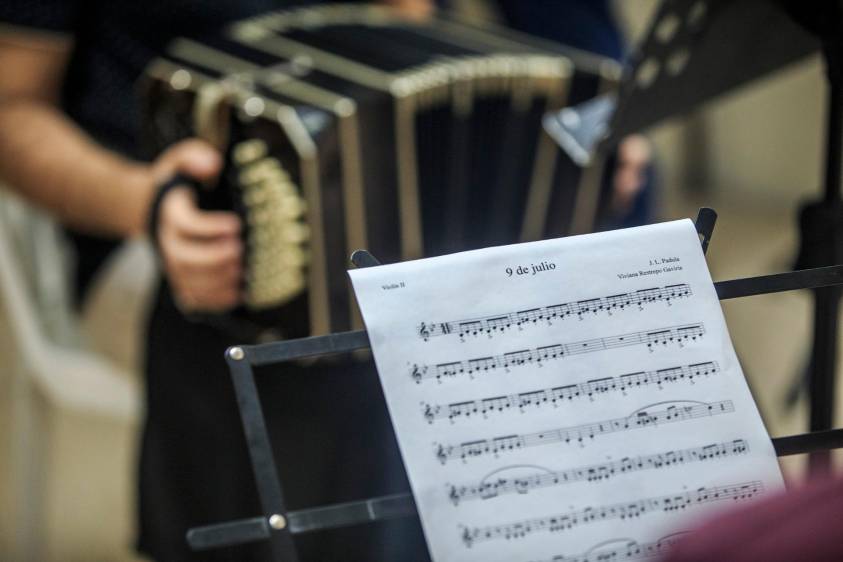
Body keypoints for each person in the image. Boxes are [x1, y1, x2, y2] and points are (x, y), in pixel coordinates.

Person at [0, 1, 431, 560]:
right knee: (282, 342)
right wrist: (147, 205)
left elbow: (407, 31)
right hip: (142, 216)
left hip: (354, 211)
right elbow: (11, 106)